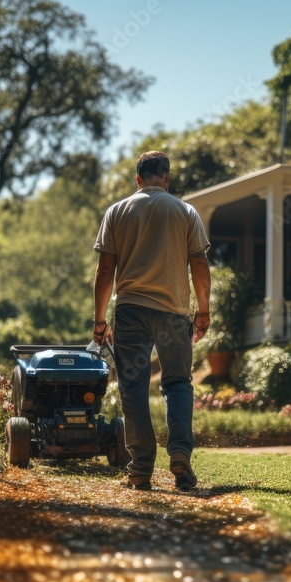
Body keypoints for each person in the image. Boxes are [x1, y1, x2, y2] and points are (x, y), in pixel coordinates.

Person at [93, 151, 211, 491]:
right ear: (167, 178)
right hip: (174, 311)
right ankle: (179, 453)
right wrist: (202, 311)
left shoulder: (117, 211)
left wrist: (100, 320)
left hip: (130, 310)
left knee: (133, 388)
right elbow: (200, 266)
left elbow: (105, 271)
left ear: (138, 179)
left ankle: (141, 469)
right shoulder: (186, 212)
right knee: (177, 382)